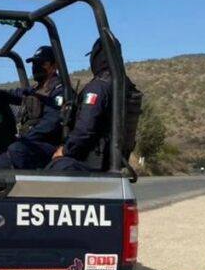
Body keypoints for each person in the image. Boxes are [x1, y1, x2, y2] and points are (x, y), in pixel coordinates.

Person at [49, 35, 142, 172]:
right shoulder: (122, 84)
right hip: (109, 159)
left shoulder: (99, 87)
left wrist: (65, 150)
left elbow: (85, 129)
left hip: (91, 161)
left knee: (49, 167)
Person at [0, 46, 65, 169]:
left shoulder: (59, 91)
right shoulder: (35, 90)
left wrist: (25, 139)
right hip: (28, 145)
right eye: (34, 63)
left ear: (54, 66)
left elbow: (50, 124)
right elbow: (10, 95)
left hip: (46, 146)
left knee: (13, 152)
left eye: (42, 63)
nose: (36, 66)